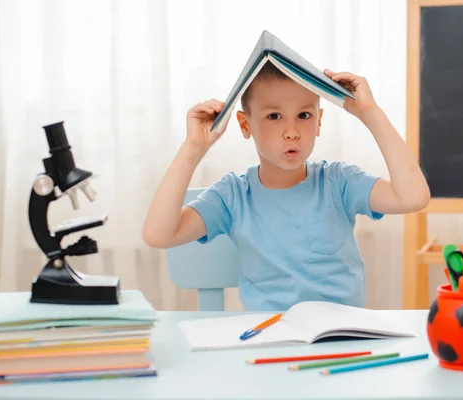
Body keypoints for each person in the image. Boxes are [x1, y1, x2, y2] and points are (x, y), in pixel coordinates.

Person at [142, 61, 430, 311]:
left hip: (341, 339)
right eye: (274, 116)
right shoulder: (233, 196)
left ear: (319, 121)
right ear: (245, 125)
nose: (292, 132)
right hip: (270, 339)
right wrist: (193, 147)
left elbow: (413, 198)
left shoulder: (339, 182)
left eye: (304, 116)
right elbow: (158, 235)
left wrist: (370, 113)